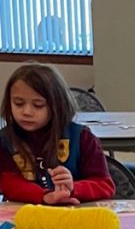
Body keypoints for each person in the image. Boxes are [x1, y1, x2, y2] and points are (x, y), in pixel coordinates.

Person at [0, 62, 112, 204]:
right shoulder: (5, 139)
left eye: (38, 105)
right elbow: (8, 183)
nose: (26, 112)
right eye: (18, 103)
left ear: (57, 105)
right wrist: (44, 196)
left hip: (76, 212)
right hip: (25, 213)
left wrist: (73, 187)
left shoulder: (82, 137)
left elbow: (105, 185)